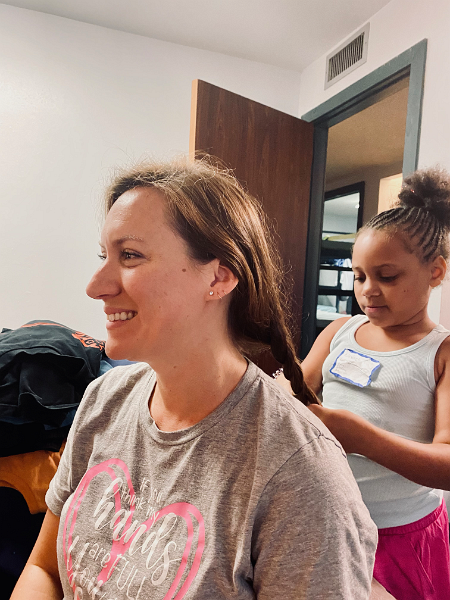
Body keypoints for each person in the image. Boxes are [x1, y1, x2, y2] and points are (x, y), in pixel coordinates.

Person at [11, 156, 376, 599]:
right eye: (104, 255)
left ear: (219, 277)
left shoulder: (302, 477)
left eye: (130, 255)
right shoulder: (103, 399)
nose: (95, 286)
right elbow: (46, 568)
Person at [301, 167, 450, 600]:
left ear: (435, 271)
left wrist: (359, 436)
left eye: (387, 276)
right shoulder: (340, 331)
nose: (368, 290)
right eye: (359, 275)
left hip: (399, 538)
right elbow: (295, 392)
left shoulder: (441, 353)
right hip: (332, 523)